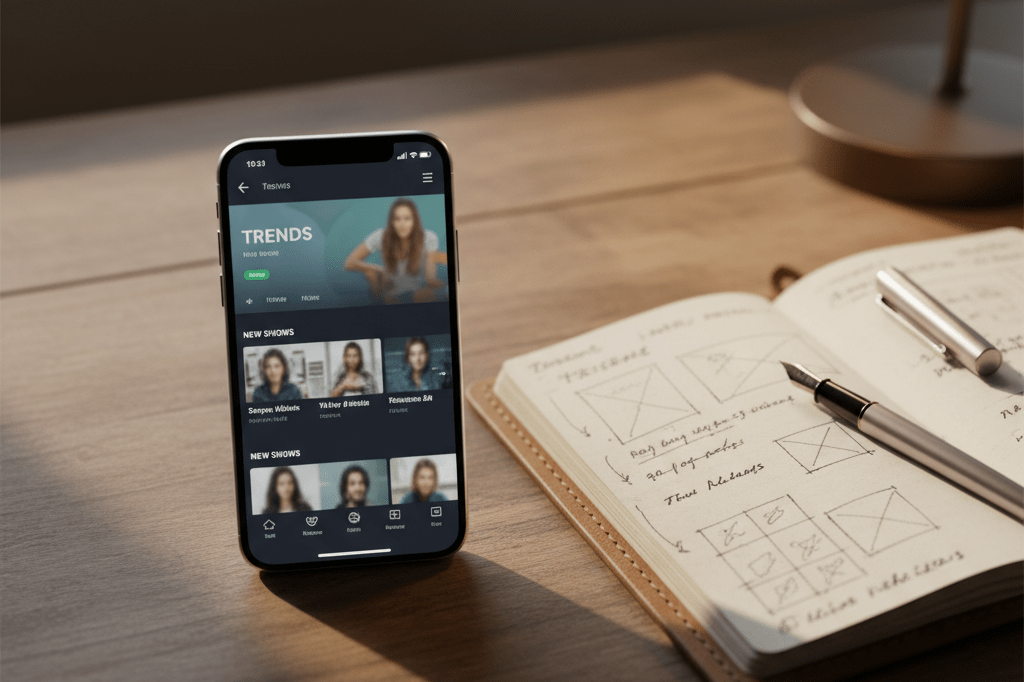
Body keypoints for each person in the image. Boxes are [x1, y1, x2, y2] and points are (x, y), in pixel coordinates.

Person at [344, 198, 446, 304]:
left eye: (407, 218)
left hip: (415, 293)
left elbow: (430, 279)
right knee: (373, 278)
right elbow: (349, 263)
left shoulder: (428, 237)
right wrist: (378, 269)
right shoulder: (380, 236)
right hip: (387, 294)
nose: (402, 224)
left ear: (415, 220)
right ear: (391, 221)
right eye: (397, 219)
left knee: (425, 295)